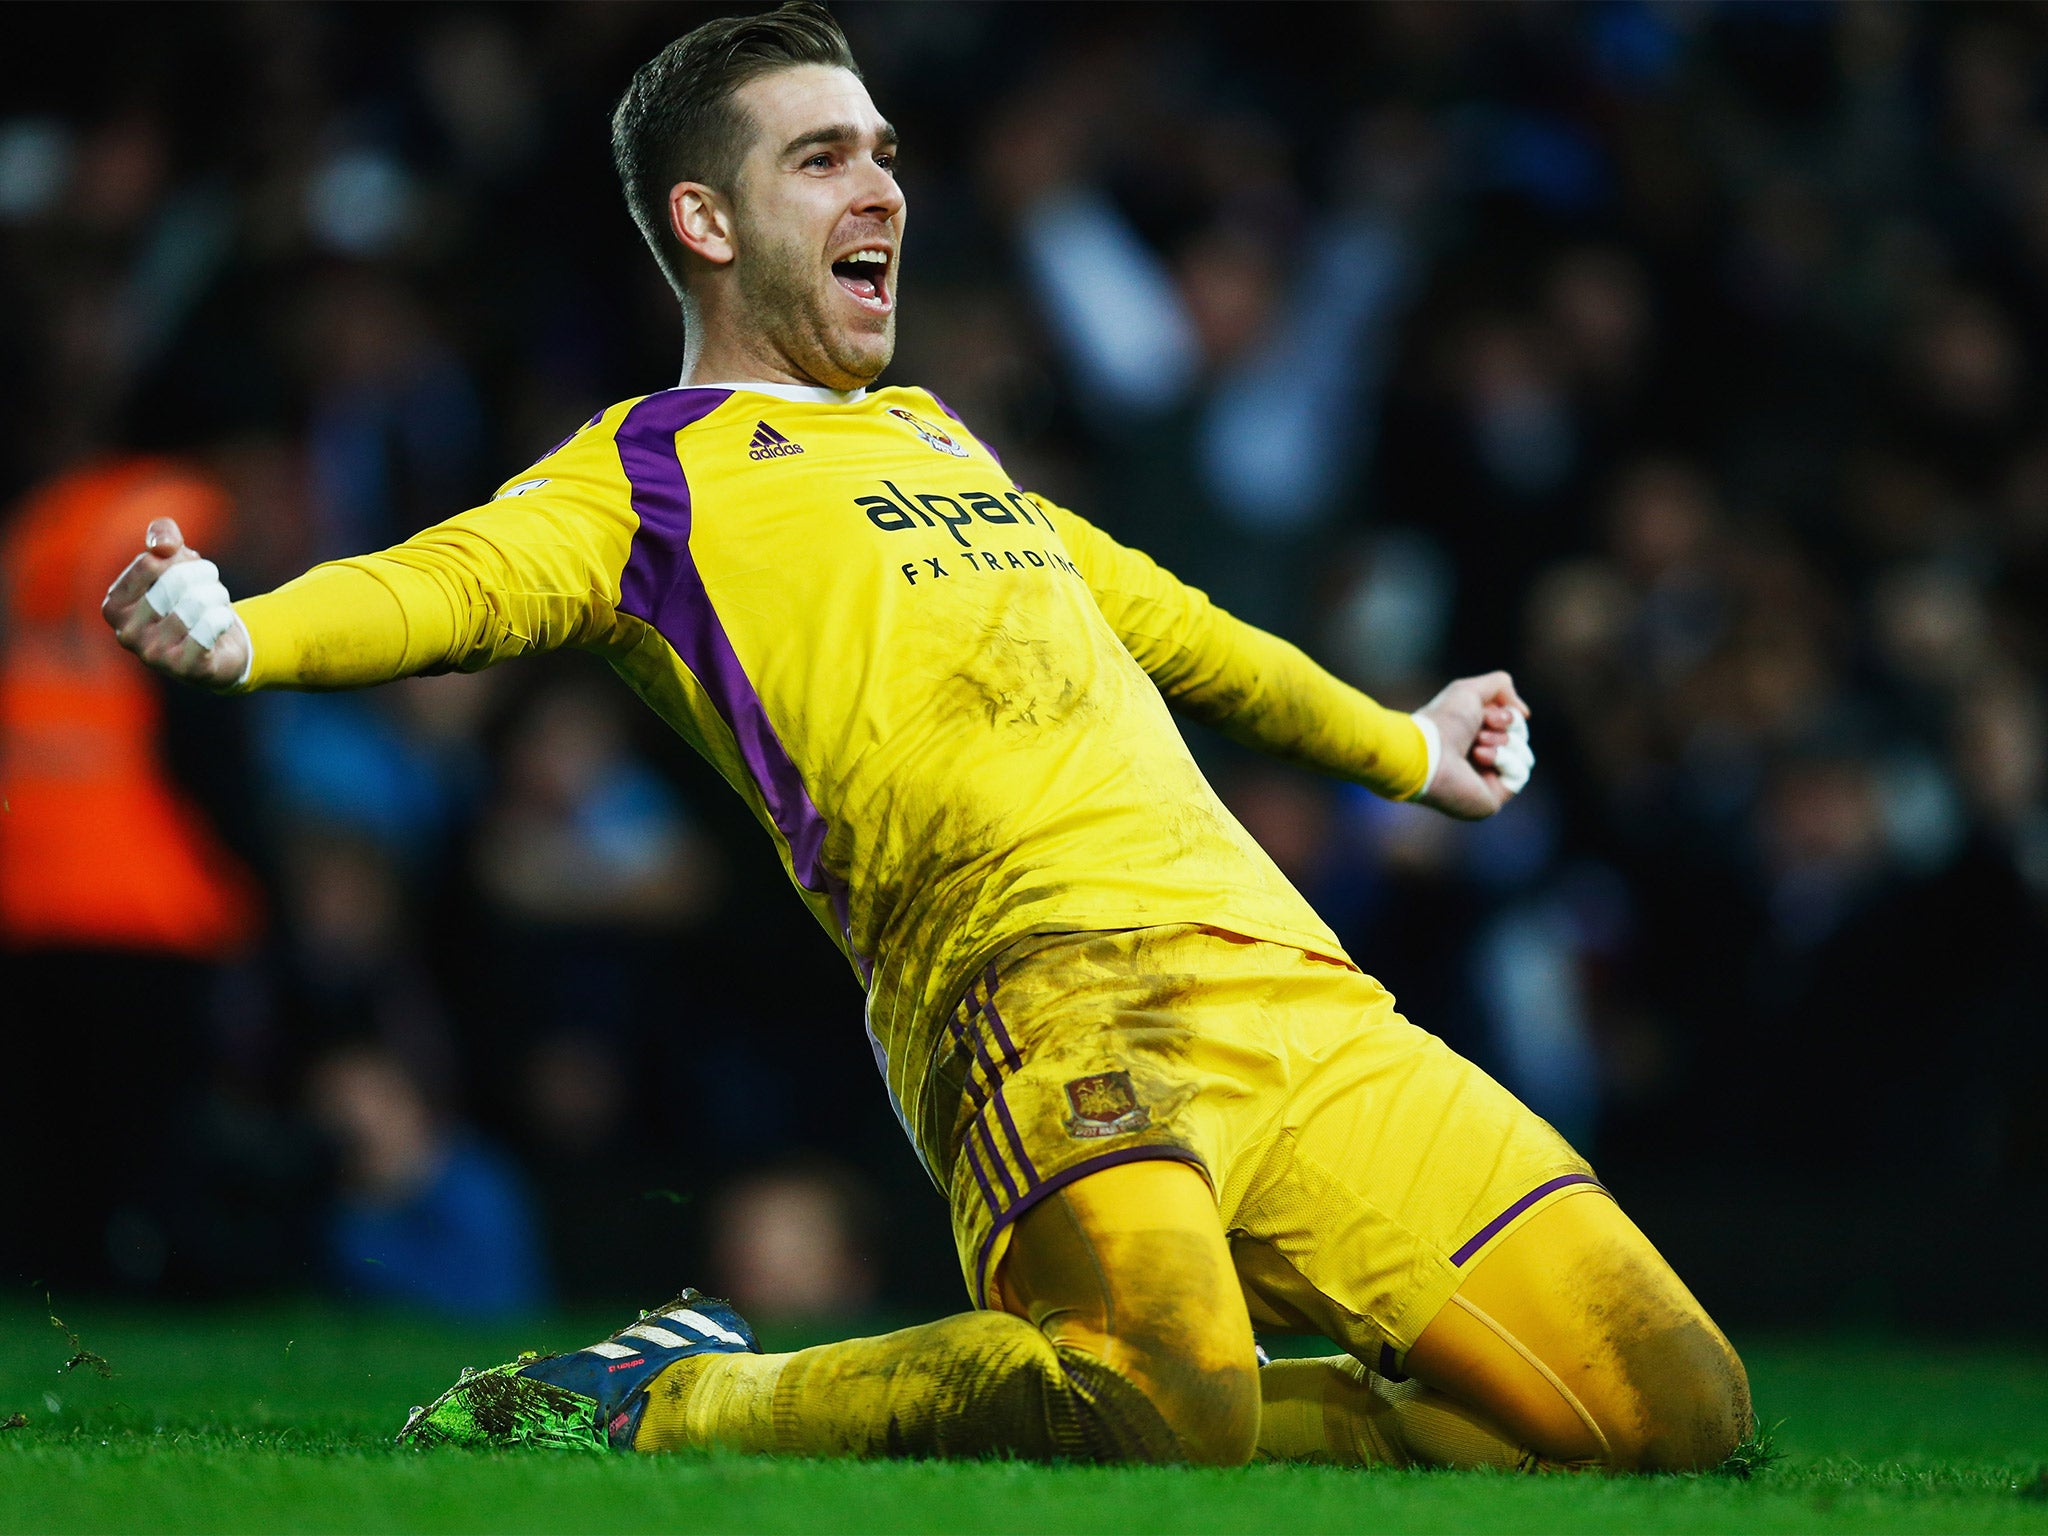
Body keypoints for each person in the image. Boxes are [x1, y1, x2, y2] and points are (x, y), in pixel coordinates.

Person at [101, 2, 1749, 1472]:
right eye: (822, 160)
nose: (882, 190)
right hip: (1042, 1002)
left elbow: (1155, 613)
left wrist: (1401, 747)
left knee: (1674, 1414)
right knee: (1160, 1403)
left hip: (1295, 990)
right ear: (708, 220)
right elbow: (443, 583)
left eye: (883, 153)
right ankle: (664, 1399)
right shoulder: (647, 474)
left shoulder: (936, 435)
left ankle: (1240, 1398)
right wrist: (245, 633)